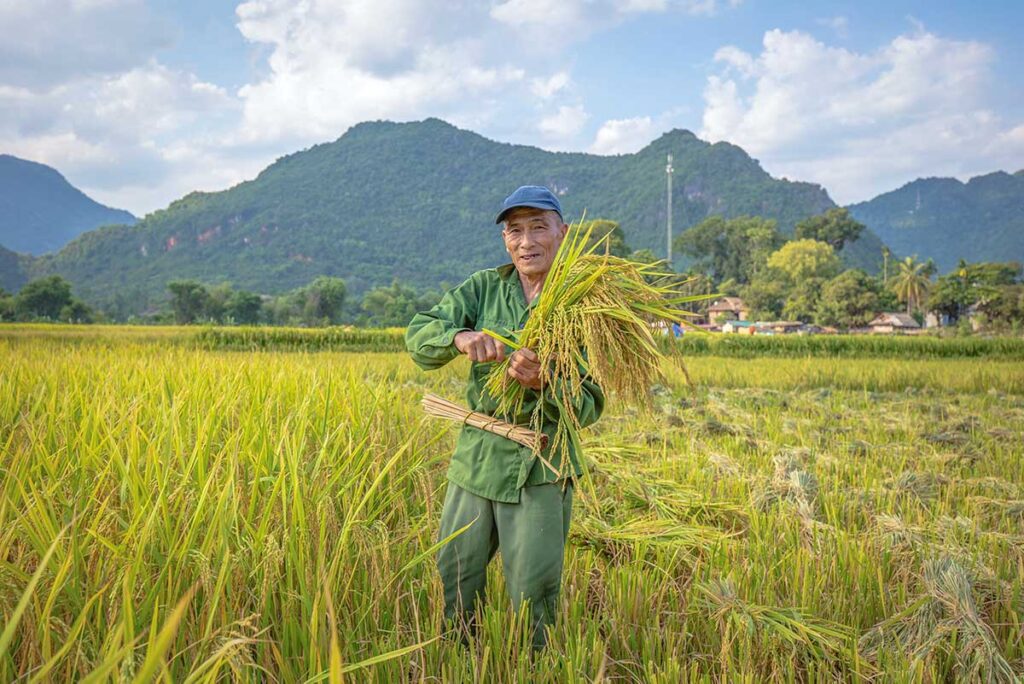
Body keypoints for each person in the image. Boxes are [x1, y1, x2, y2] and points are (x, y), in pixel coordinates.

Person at [405, 185, 605, 650]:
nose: (526, 241)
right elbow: (420, 334)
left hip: (542, 462)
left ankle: (531, 667)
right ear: (504, 239)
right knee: (455, 572)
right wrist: (459, 337)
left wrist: (547, 383)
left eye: (539, 226)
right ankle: (458, 660)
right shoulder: (483, 287)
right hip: (477, 455)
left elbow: (592, 402)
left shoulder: (588, 306)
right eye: (515, 230)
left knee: (533, 591)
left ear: (563, 232)